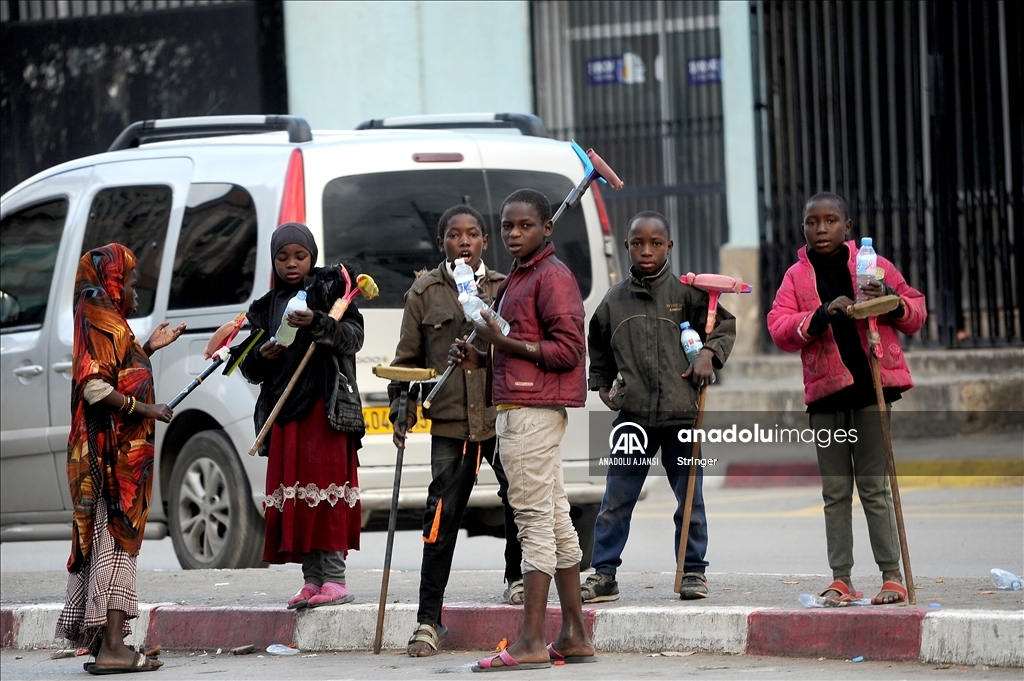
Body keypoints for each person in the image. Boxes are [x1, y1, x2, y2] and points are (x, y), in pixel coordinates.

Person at [450, 189, 595, 671]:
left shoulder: (552, 276)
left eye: (524, 226)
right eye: (508, 227)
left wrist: (504, 341)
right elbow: (516, 345)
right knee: (554, 519)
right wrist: (483, 353)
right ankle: (574, 634)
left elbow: (568, 350)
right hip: (521, 405)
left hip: (532, 412)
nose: (513, 235)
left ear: (546, 228)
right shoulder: (519, 275)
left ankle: (532, 640)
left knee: (532, 521)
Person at [767, 192, 926, 605]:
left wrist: (887, 296)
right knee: (835, 490)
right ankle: (842, 578)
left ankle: (892, 576)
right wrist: (820, 315)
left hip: (872, 390)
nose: (821, 229)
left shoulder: (873, 266)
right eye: (812, 222)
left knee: (874, 487)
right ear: (803, 228)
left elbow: (914, 310)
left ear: (848, 227)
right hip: (824, 396)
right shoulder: (795, 277)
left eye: (831, 221)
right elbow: (779, 327)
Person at [389, 205, 525, 657]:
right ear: (443, 242)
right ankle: (428, 620)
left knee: (520, 500)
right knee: (440, 519)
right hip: (450, 423)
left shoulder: (505, 288)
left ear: (485, 241)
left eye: (472, 235)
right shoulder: (425, 292)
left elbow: (518, 349)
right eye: (454, 235)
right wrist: (401, 408)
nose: (463, 242)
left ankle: (516, 578)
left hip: (499, 416)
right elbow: (406, 362)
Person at [584, 211, 735, 603]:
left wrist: (707, 354)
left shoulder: (689, 293)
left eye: (655, 243)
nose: (646, 250)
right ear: (627, 246)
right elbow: (597, 341)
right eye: (637, 243)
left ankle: (693, 572)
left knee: (689, 500)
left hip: (683, 415)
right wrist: (600, 382)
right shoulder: (614, 300)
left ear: (669, 246)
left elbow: (723, 327)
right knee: (616, 498)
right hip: (632, 418)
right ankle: (603, 574)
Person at [56, 243, 186, 673]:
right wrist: (148, 410)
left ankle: (104, 645)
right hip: (110, 461)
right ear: (112, 282)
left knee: (105, 545)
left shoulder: (107, 321)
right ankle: (113, 647)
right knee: (115, 543)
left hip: (112, 456)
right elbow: (96, 387)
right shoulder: (99, 318)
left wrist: (149, 346)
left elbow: (117, 371)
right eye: (130, 283)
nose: (135, 292)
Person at [239, 222, 364, 609]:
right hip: (285, 415)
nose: (291, 264)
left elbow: (354, 337)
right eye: (283, 257)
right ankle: (311, 581)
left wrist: (319, 323)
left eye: (299, 256)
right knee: (299, 493)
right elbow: (244, 364)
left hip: (322, 411)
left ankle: (335, 579)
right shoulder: (265, 307)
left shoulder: (330, 291)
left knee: (324, 488)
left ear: (311, 256)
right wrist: (262, 356)